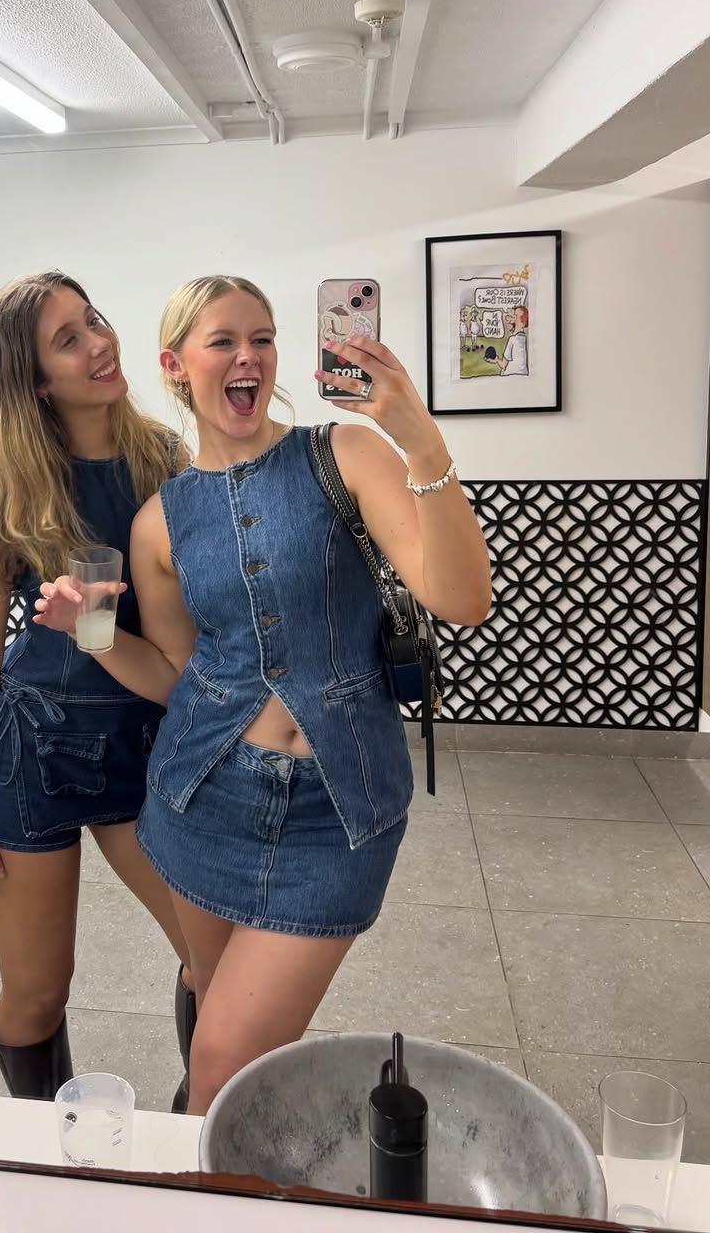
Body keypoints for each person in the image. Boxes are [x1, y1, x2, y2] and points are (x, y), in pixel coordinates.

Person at [34, 275, 491, 1114]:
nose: (248, 356)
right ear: (175, 365)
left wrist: (420, 440)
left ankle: (195, 1153)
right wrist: (86, 632)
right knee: (220, 1029)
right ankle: (221, 1153)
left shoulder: (344, 455)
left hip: (338, 810)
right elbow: (174, 673)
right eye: (223, 341)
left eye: (263, 338)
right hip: (204, 800)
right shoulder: (160, 520)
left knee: (219, 1063)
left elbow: (462, 598)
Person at [0, 270, 193, 1104]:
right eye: (68, 339)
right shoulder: (4, 489)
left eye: (93, 321)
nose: (99, 343)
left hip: (141, 742)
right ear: (35, 380)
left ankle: (202, 1125)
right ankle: (47, 1155)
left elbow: (180, 636)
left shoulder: (166, 462)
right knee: (37, 991)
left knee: (212, 957)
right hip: (32, 754)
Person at [496, 304, 529, 375]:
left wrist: (496, 359)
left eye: (515, 316)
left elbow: (503, 365)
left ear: (521, 321)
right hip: (524, 373)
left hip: (511, 374)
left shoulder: (512, 339)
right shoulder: (524, 338)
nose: (512, 317)